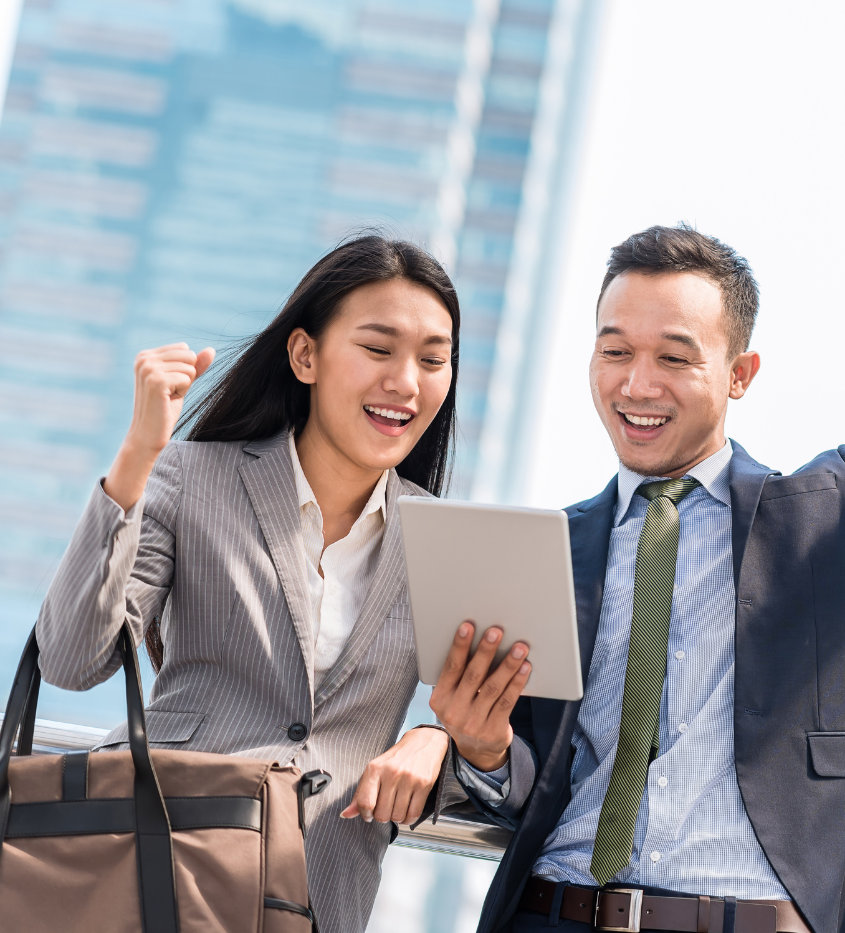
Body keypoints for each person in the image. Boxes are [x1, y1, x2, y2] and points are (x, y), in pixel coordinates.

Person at [429, 75, 845, 933]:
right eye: (614, 351)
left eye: (675, 357)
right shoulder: (548, 555)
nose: (637, 385)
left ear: (740, 375)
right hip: (555, 913)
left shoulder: (830, 517)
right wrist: (481, 749)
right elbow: (522, 782)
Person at [36, 237, 516, 933]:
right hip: (150, 879)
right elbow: (72, 657)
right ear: (305, 356)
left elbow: (491, 756)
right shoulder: (191, 477)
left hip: (316, 901)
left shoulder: (448, 544)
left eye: (433, 360)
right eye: (379, 349)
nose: (407, 382)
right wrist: (138, 458)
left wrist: (438, 740)